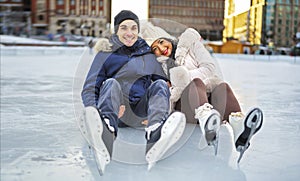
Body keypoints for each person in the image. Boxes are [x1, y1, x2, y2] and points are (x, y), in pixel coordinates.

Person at [81, 10, 186, 174]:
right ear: (116, 30)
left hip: (140, 112)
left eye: (133, 28)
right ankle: (105, 131)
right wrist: (94, 110)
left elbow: (164, 85)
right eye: (124, 28)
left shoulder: (148, 55)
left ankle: (155, 132)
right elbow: (89, 88)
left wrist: (156, 110)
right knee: (110, 83)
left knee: (159, 84)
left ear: (138, 30)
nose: (129, 33)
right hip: (116, 111)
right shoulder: (105, 54)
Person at [144, 26, 263, 162]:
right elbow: (161, 92)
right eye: (155, 49)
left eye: (161, 42)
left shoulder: (191, 45)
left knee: (222, 87)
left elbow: (210, 69)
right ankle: (207, 120)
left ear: (167, 38)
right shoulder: (159, 67)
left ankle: (239, 129)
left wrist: (183, 76)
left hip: (208, 99)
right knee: (196, 83)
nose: (161, 48)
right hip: (184, 108)